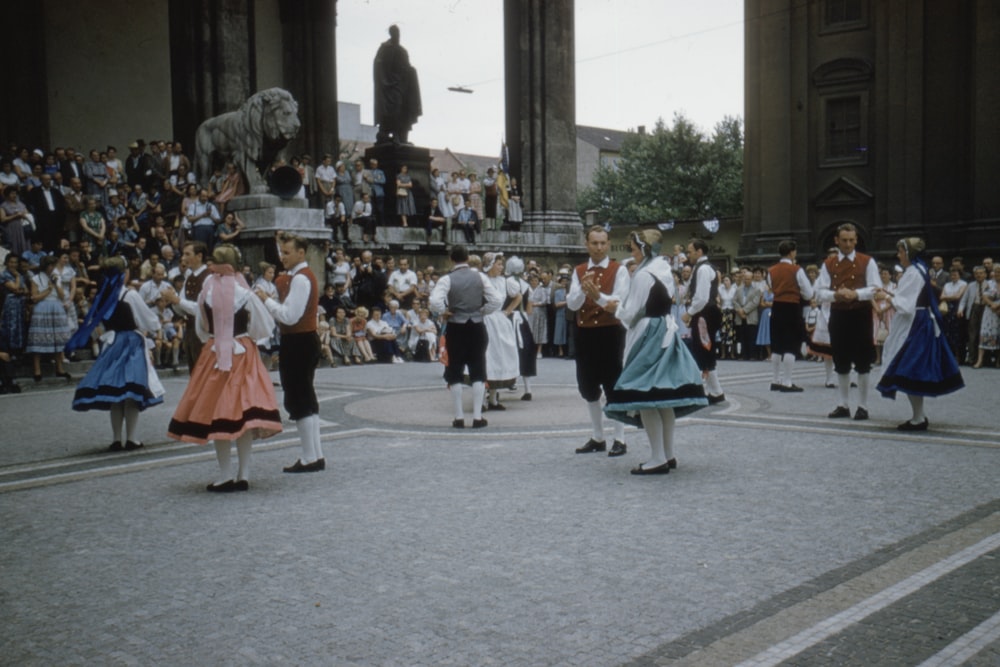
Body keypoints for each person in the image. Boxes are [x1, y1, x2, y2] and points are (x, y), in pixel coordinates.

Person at [168, 245, 282, 491]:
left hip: (215, 354)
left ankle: (225, 474)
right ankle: (244, 474)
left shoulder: (206, 292)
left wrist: (215, 339)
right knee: (241, 416)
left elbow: (201, 327)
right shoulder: (245, 293)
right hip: (243, 352)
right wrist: (246, 337)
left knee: (218, 414)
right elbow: (264, 326)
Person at [603, 230, 708, 474]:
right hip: (664, 329)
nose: (632, 252)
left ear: (645, 248)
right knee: (663, 397)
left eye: (635, 247)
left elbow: (631, 313)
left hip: (648, 332)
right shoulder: (663, 269)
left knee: (646, 394)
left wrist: (612, 308)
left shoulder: (643, 275)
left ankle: (657, 458)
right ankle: (668, 454)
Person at [68, 256, 164, 451]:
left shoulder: (103, 295)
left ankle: (116, 439)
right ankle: (132, 438)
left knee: (116, 393)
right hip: (130, 342)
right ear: (124, 273)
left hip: (112, 343)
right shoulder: (129, 294)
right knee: (131, 391)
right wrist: (154, 327)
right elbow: (149, 321)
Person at [876, 238, 964, 430]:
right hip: (921, 320)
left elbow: (906, 305)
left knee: (909, 369)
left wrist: (887, 296)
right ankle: (919, 416)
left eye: (901, 252)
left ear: (909, 253)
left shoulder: (913, 273)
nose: (898, 255)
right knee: (911, 369)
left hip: (915, 324)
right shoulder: (920, 269)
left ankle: (918, 418)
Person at [256, 233, 325, 473]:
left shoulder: (301, 279)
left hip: (298, 340)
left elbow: (290, 316)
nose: (282, 257)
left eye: (286, 253)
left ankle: (309, 458)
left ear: (301, 253)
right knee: (305, 396)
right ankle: (315, 454)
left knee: (298, 397)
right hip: (303, 339)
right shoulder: (298, 277)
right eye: (281, 252)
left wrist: (266, 300)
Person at [566, 225, 631, 456]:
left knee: (613, 384)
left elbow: (618, 302)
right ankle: (598, 436)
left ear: (609, 244)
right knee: (587, 385)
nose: (599, 247)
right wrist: (583, 291)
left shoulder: (619, 269)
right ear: (587, 244)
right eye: (594, 243)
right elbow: (572, 304)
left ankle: (620, 438)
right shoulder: (579, 270)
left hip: (610, 332)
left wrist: (598, 296)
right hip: (585, 332)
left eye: (603, 243)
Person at [429, 245, 503, 428]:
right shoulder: (480, 276)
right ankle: (478, 417)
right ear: (468, 258)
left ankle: (459, 416)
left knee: (455, 370)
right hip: (477, 325)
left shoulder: (447, 279)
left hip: (456, 326)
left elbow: (434, 301)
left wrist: (444, 311)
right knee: (478, 369)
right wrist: (482, 311)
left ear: (451, 259)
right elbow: (497, 299)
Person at [816, 223, 882, 420]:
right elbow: (819, 292)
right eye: (844, 240)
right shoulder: (828, 264)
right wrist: (836, 295)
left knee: (863, 362)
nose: (848, 244)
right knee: (841, 360)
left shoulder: (867, 262)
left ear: (856, 240)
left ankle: (863, 406)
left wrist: (855, 293)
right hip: (839, 315)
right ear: (837, 241)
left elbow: (875, 288)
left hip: (861, 315)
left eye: (852, 240)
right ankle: (843, 404)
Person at [682, 238, 726, 403]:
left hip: (704, 314)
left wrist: (689, 313)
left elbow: (701, 298)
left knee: (704, 349)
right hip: (705, 313)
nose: (688, 254)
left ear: (699, 251)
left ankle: (713, 391)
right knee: (704, 349)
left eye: (690, 251)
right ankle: (715, 391)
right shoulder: (701, 268)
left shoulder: (703, 269)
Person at [767, 240, 814, 392]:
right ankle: (787, 382)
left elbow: (770, 287)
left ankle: (775, 380)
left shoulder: (771, 270)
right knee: (791, 345)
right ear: (792, 252)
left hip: (777, 307)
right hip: (792, 307)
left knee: (777, 345)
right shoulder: (796, 270)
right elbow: (808, 293)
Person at [26, 255, 75, 382]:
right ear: (46, 266)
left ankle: (60, 368)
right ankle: (37, 370)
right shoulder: (36, 278)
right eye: (51, 265)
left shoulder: (55, 278)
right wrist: (48, 290)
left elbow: (62, 295)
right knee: (39, 338)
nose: (53, 268)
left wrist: (55, 285)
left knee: (57, 338)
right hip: (42, 307)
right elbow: (34, 297)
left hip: (56, 307)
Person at [481, 252, 520, 411]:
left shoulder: (505, 281)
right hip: (485, 320)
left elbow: (518, 296)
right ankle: (482, 398)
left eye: (501, 264)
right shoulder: (482, 280)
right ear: (490, 265)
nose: (501, 267)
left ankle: (493, 398)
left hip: (499, 321)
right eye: (498, 264)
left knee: (499, 357)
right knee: (486, 357)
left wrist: (508, 310)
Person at [165, 241, 210, 371]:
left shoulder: (208, 277)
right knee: (193, 371)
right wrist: (173, 300)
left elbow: (202, 309)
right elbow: (181, 308)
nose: (183, 258)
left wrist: (178, 300)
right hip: (190, 330)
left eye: (187, 254)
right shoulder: (189, 277)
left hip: (203, 331)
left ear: (199, 256)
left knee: (203, 372)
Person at [373, 24, 422, 145]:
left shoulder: (402, 50)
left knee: (405, 107)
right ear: (391, 34)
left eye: (398, 33)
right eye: (395, 33)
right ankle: (394, 133)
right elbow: (378, 64)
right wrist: (384, 79)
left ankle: (402, 135)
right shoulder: (384, 48)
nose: (397, 36)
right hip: (389, 85)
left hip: (403, 84)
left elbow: (407, 65)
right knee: (395, 106)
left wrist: (411, 70)